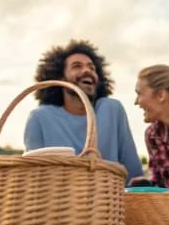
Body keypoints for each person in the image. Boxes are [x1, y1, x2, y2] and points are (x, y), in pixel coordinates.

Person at [24, 40, 143, 184]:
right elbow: (33, 175)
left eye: (92, 68)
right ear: (61, 78)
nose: (87, 71)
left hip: (109, 200)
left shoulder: (111, 110)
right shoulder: (40, 117)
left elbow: (134, 175)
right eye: (77, 66)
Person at [129, 64, 169, 188]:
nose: (136, 102)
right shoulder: (153, 135)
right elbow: (162, 184)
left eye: (139, 94)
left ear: (161, 95)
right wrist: (147, 184)